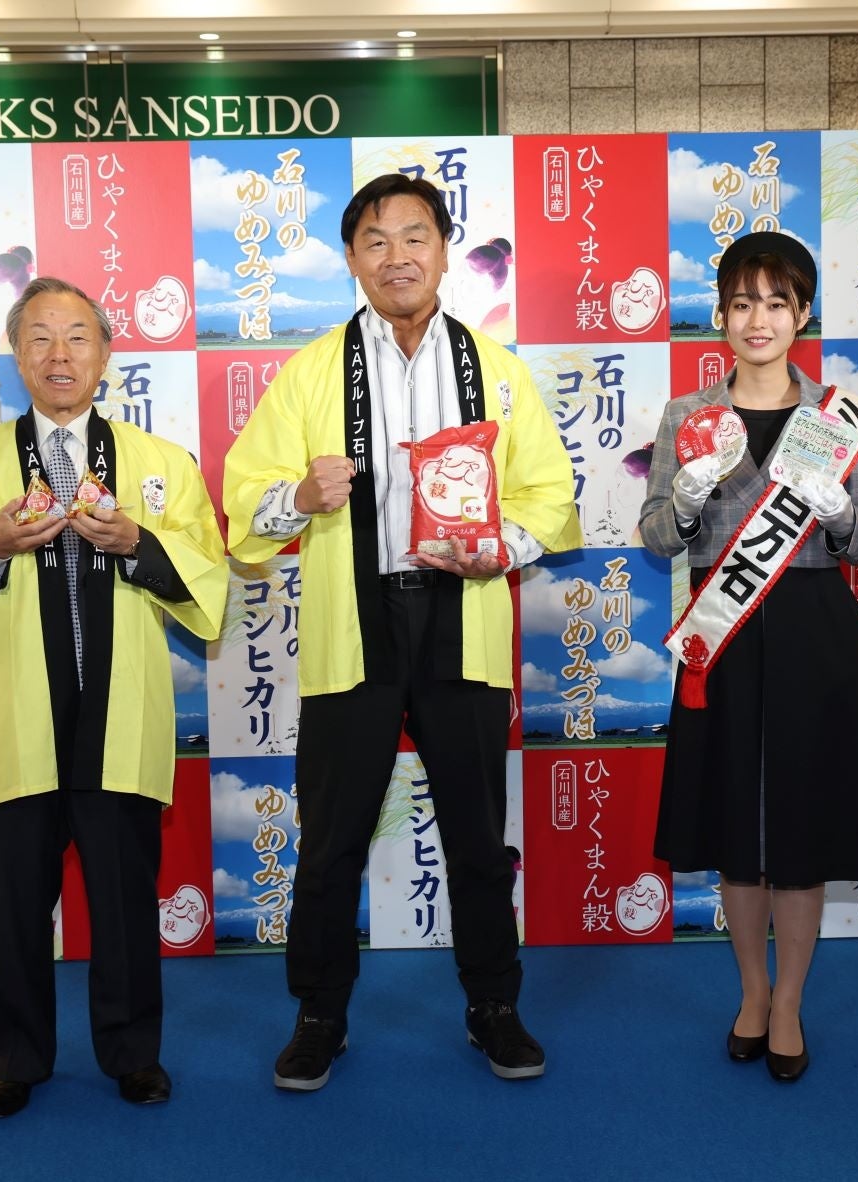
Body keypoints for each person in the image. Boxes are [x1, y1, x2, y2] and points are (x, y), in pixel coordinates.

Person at [223, 174, 579, 1092]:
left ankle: (493, 1006)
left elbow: (549, 495)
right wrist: (298, 495)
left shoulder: (496, 370)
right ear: (350, 258)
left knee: (477, 837)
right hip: (356, 624)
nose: (396, 257)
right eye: (375, 241)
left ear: (444, 250)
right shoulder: (311, 372)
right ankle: (319, 1015)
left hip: (463, 617)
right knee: (329, 839)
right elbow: (244, 499)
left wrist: (498, 547)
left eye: (414, 236)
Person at [0, 277, 229, 1118]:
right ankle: (15, 1061)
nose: (59, 355)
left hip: (122, 716)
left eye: (77, 336)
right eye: (38, 337)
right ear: (16, 356)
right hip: (21, 720)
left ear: (106, 354)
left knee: (123, 901)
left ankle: (132, 1055)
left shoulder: (160, 462)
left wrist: (137, 542)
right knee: (17, 905)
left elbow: (208, 572)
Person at [637, 232, 858, 1083]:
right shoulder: (688, 417)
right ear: (720, 314)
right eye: (743, 302)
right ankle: (750, 992)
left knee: (799, 820)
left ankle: (788, 1002)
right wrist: (685, 498)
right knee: (734, 822)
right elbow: (655, 535)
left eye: (777, 302)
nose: (759, 319)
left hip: (814, 632)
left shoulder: (837, 417)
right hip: (721, 634)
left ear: (803, 314)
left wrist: (834, 511)